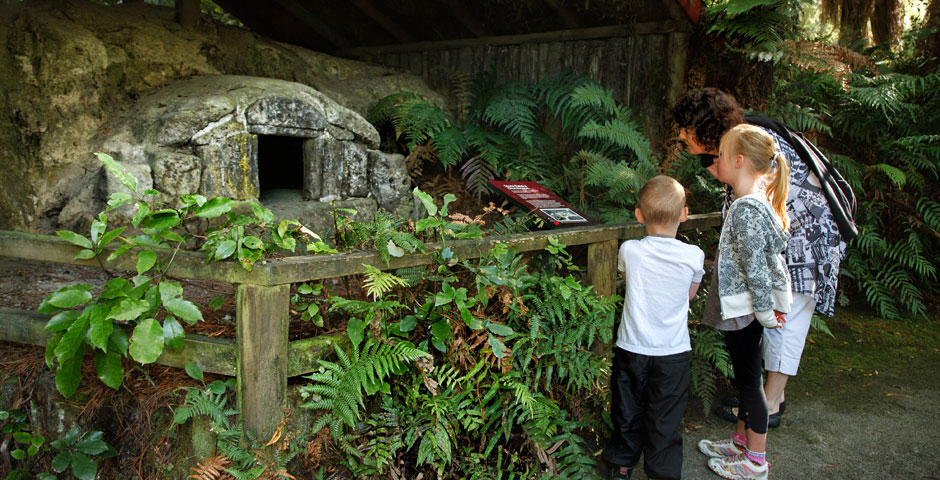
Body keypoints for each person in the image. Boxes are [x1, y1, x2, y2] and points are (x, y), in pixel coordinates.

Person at [672, 88, 849, 428]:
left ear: (704, 127)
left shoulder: (751, 143)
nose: (681, 135)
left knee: (786, 319)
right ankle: (770, 400)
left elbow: (758, 212)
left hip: (806, 238)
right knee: (777, 319)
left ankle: (766, 408)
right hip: (783, 236)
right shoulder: (733, 144)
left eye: (685, 129)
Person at [698, 124, 792, 479]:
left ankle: (756, 460)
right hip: (749, 308)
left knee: (750, 383)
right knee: (745, 377)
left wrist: (765, 310)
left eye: (720, 156)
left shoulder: (747, 209)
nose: (716, 162)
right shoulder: (750, 202)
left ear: (738, 161)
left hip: (747, 310)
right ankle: (741, 440)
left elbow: (755, 265)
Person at [602, 175, 705, 480]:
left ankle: (621, 464)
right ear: (684, 214)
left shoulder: (630, 251)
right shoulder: (693, 255)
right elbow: (689, 295)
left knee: (627, 408)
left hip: (632, 348)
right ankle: (663, 472)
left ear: (639, 215)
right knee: (667, 416)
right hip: (673, 352)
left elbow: (628, 279)